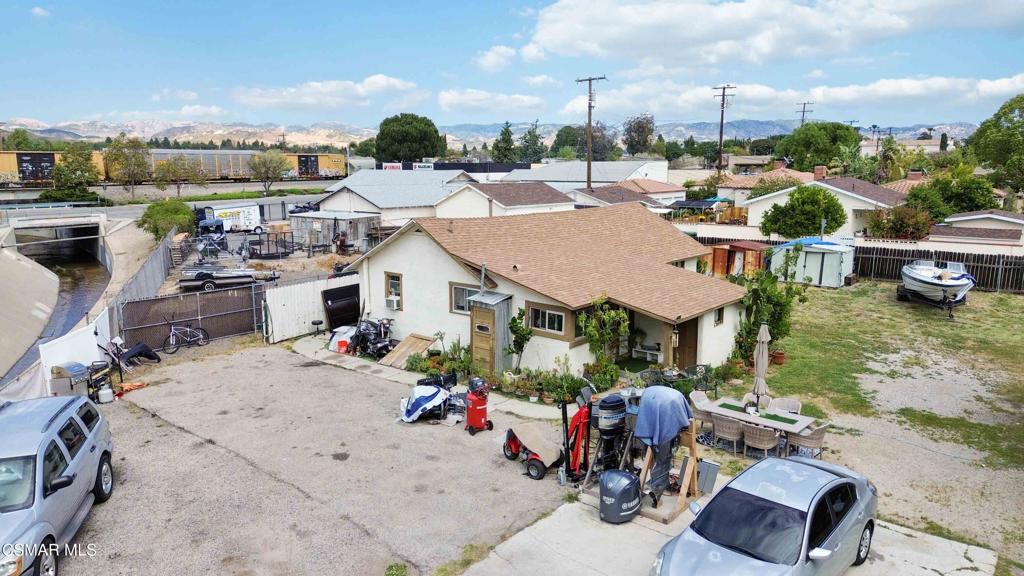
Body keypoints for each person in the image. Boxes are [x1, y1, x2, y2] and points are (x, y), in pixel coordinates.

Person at [634, 385, 691, 507]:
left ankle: (657, 485)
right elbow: (686, 420)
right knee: (663, 457)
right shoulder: (676, 400)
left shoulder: (671, 400)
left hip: (658, 405)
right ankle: (656, 488)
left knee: (662, 456)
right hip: (663, 410)